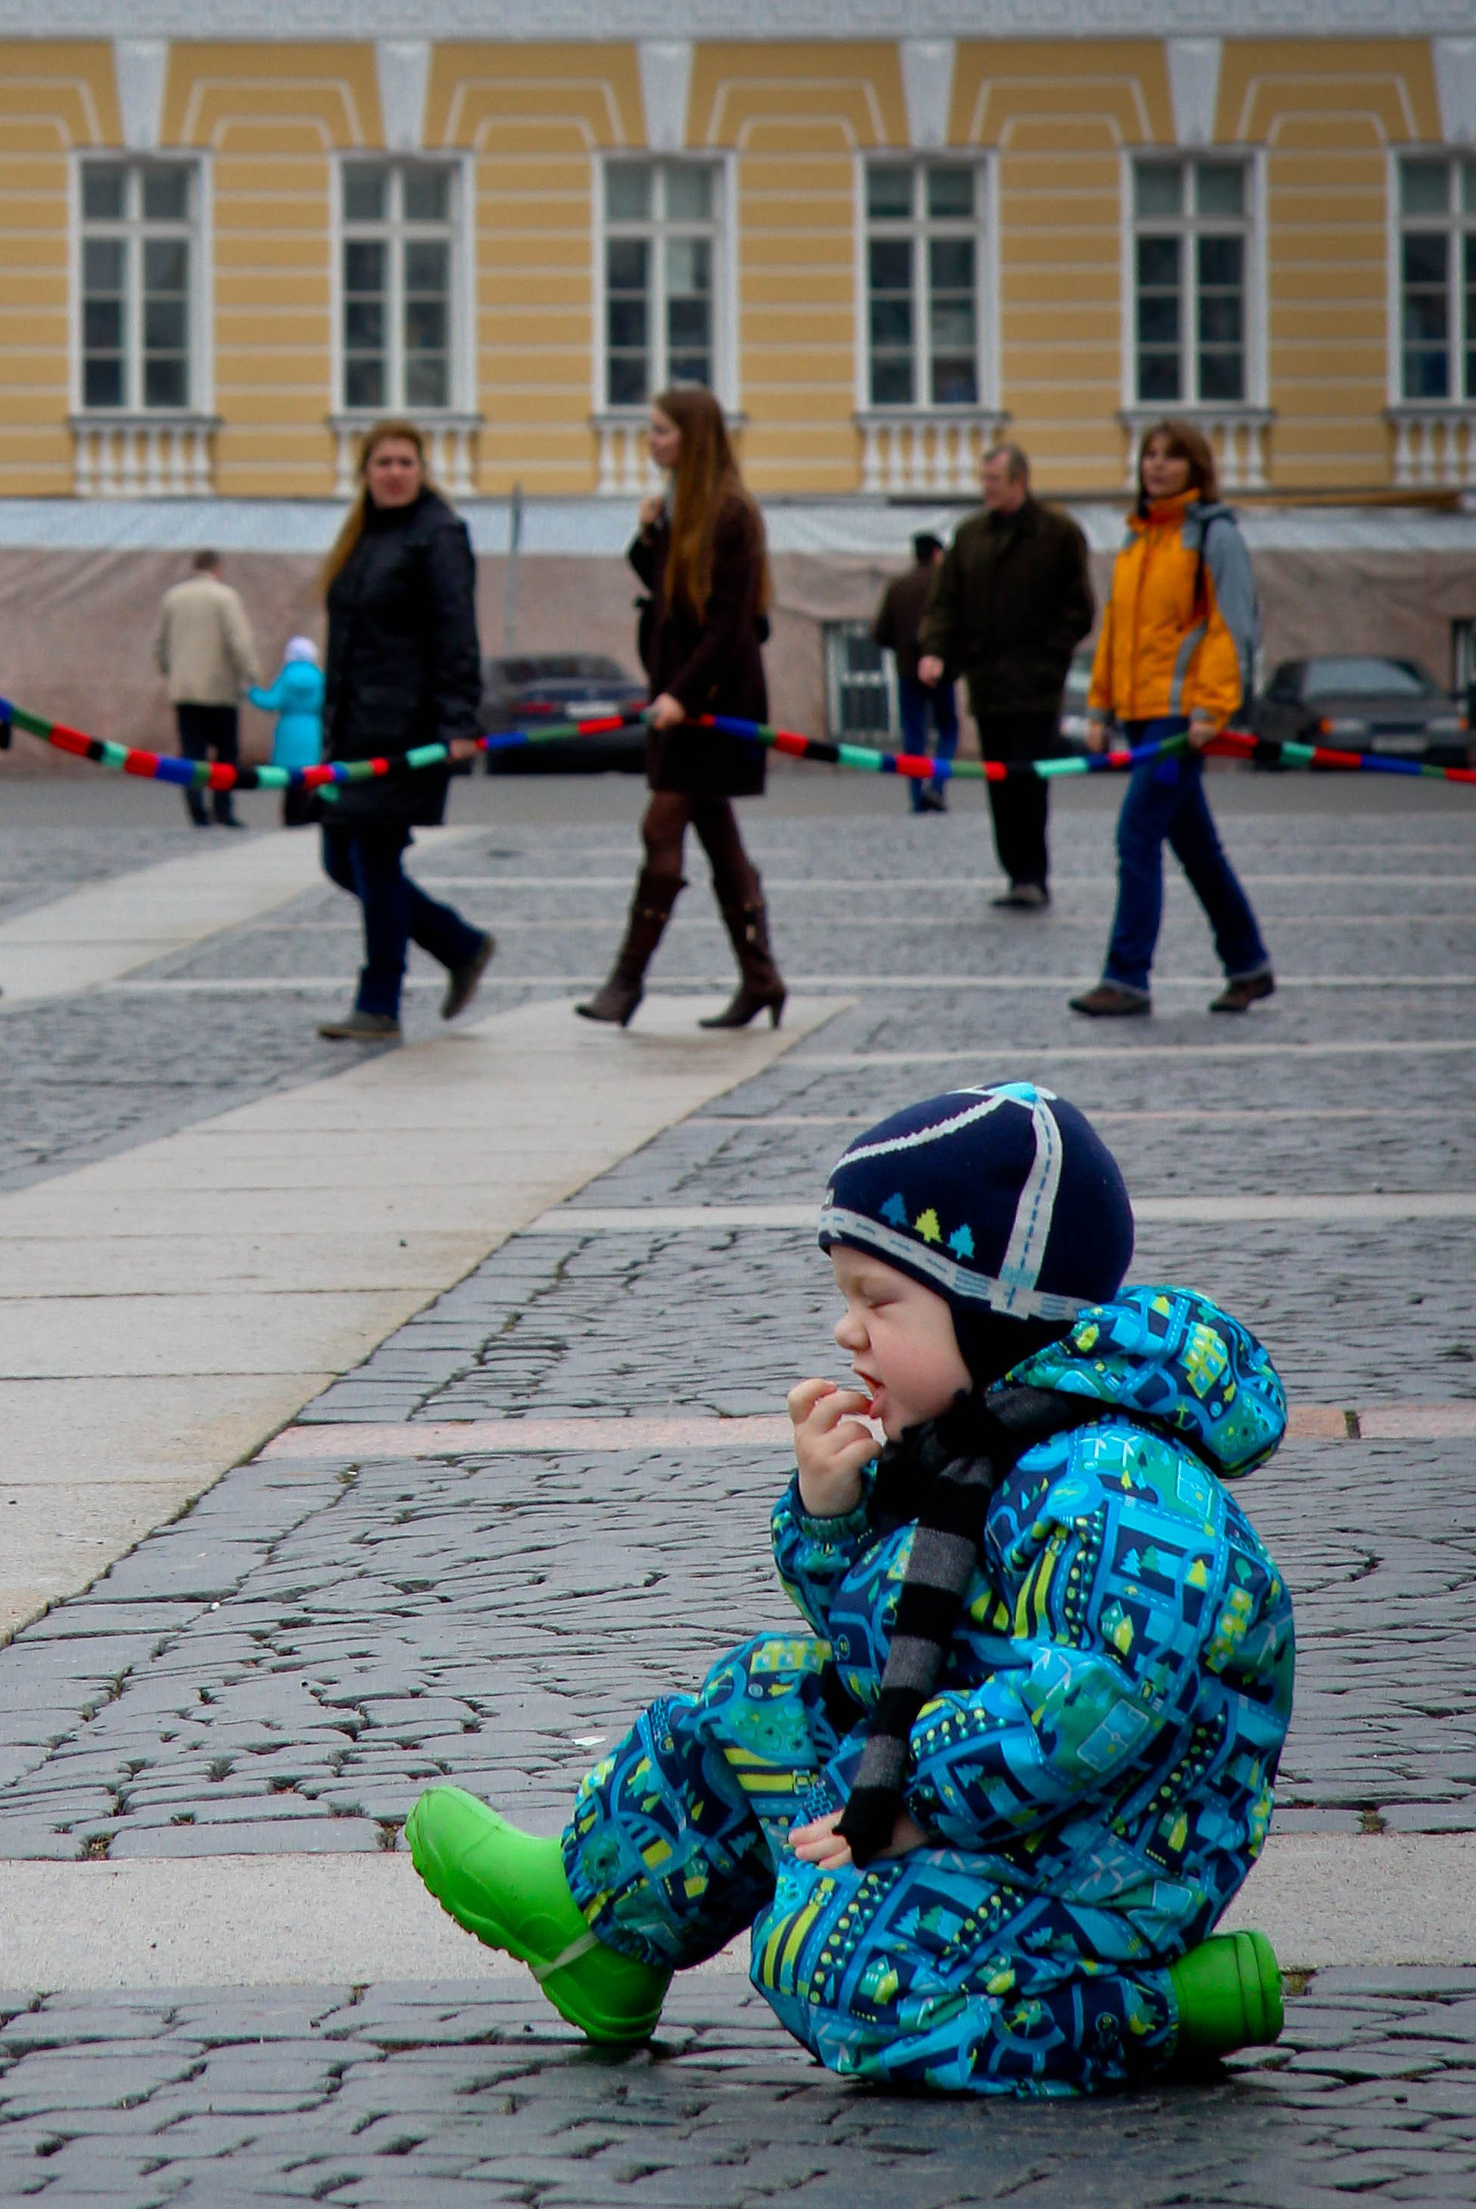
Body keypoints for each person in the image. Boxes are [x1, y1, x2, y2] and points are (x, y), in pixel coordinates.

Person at [403, 1082, 1293, 2095]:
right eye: (846, 1297)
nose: (846, 1331)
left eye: (879, 1301)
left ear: (994, 1312)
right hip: (996, 1803)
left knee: (827, 1966)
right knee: (759, 1700)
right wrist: (833, 1518)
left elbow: (1090, 1706)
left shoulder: (1121, 1490)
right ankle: (600, 1932)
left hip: (1106, 1860)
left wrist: (906, 1804)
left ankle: (1157, 2007)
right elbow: (894, 1652)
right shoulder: (980, 1444)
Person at [576, 386, 780, 1032]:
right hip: (677, 700)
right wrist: (647, 537)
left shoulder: (730, 513)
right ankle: (762, 979)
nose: (651, 441)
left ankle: (626, 982)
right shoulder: (680, 508)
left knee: (662, 827)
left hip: (709, 706)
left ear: (692, 438)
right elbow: (669, 595)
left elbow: (728, 626)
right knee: (717, 839)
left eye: (661, 430)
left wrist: (681, 697)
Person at [1070, 420, 1274, 1017]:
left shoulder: (1214, 538)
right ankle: (1249, 963)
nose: (1156, 467)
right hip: (1140, 714)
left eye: (1171, 457)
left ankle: (1126, 976)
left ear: (1195, 467)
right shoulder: (1138, 539)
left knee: (1137, 833)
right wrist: (1100, 705)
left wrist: (1213, 706)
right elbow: (1117, 630)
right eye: (1149, 456)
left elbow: (1231, 628)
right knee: (1195, 846)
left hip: (1180, 721)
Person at [313, 421, 493, 1044]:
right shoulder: (363, 536)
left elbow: (455, 633)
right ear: (365, 472)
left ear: (421, 470)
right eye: (383, 462)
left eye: (405, 462)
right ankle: (458, 942)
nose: (394, 472)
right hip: (355, 731)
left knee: (373, 857)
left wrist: (459, 722)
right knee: (341, 859)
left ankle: (379, 1001)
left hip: (407, 730)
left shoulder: (437, 536)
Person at [920, 442, 1097, 909]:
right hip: (988, 682)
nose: (986, 488)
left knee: (1027, 779)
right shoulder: (971, 535)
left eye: (993, 480)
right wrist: (935, 650)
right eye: (984, 480)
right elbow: (945, 602)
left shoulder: (1057, 534)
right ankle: (1015, 872)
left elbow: (1079, 608)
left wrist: (1052, 657)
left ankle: (1032, 874)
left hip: (1036, 686)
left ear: (1019, 481)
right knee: (999, 780)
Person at [157, 550, 261, 829]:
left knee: (192, 753)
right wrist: (251, 674)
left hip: (185, 691)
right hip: (220, 690)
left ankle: (196, 811)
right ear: (217, 567)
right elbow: (239, 641)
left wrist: (172, 672)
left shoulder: (173, 597)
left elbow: (161, 644)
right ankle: (223, 809)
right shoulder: (226, 597)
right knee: (226, 753)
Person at [874, 532, 956, 815]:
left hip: (907, 671)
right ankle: (937, 786)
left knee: (914, 733)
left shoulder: (899, 587)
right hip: (941, 668)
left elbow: (879, 632)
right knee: (947, 729)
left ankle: (916, 795)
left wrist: (901, 647)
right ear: (936, 554)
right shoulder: (947, 585)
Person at [249, 635, 326, 828]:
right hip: (312, 729)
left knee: (289, 779)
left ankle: (290, 818)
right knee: (308, 777)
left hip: (288, 729)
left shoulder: (286, 676)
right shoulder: (319, 677)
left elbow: (271, 702)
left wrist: (251, 691)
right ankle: (305, 815)